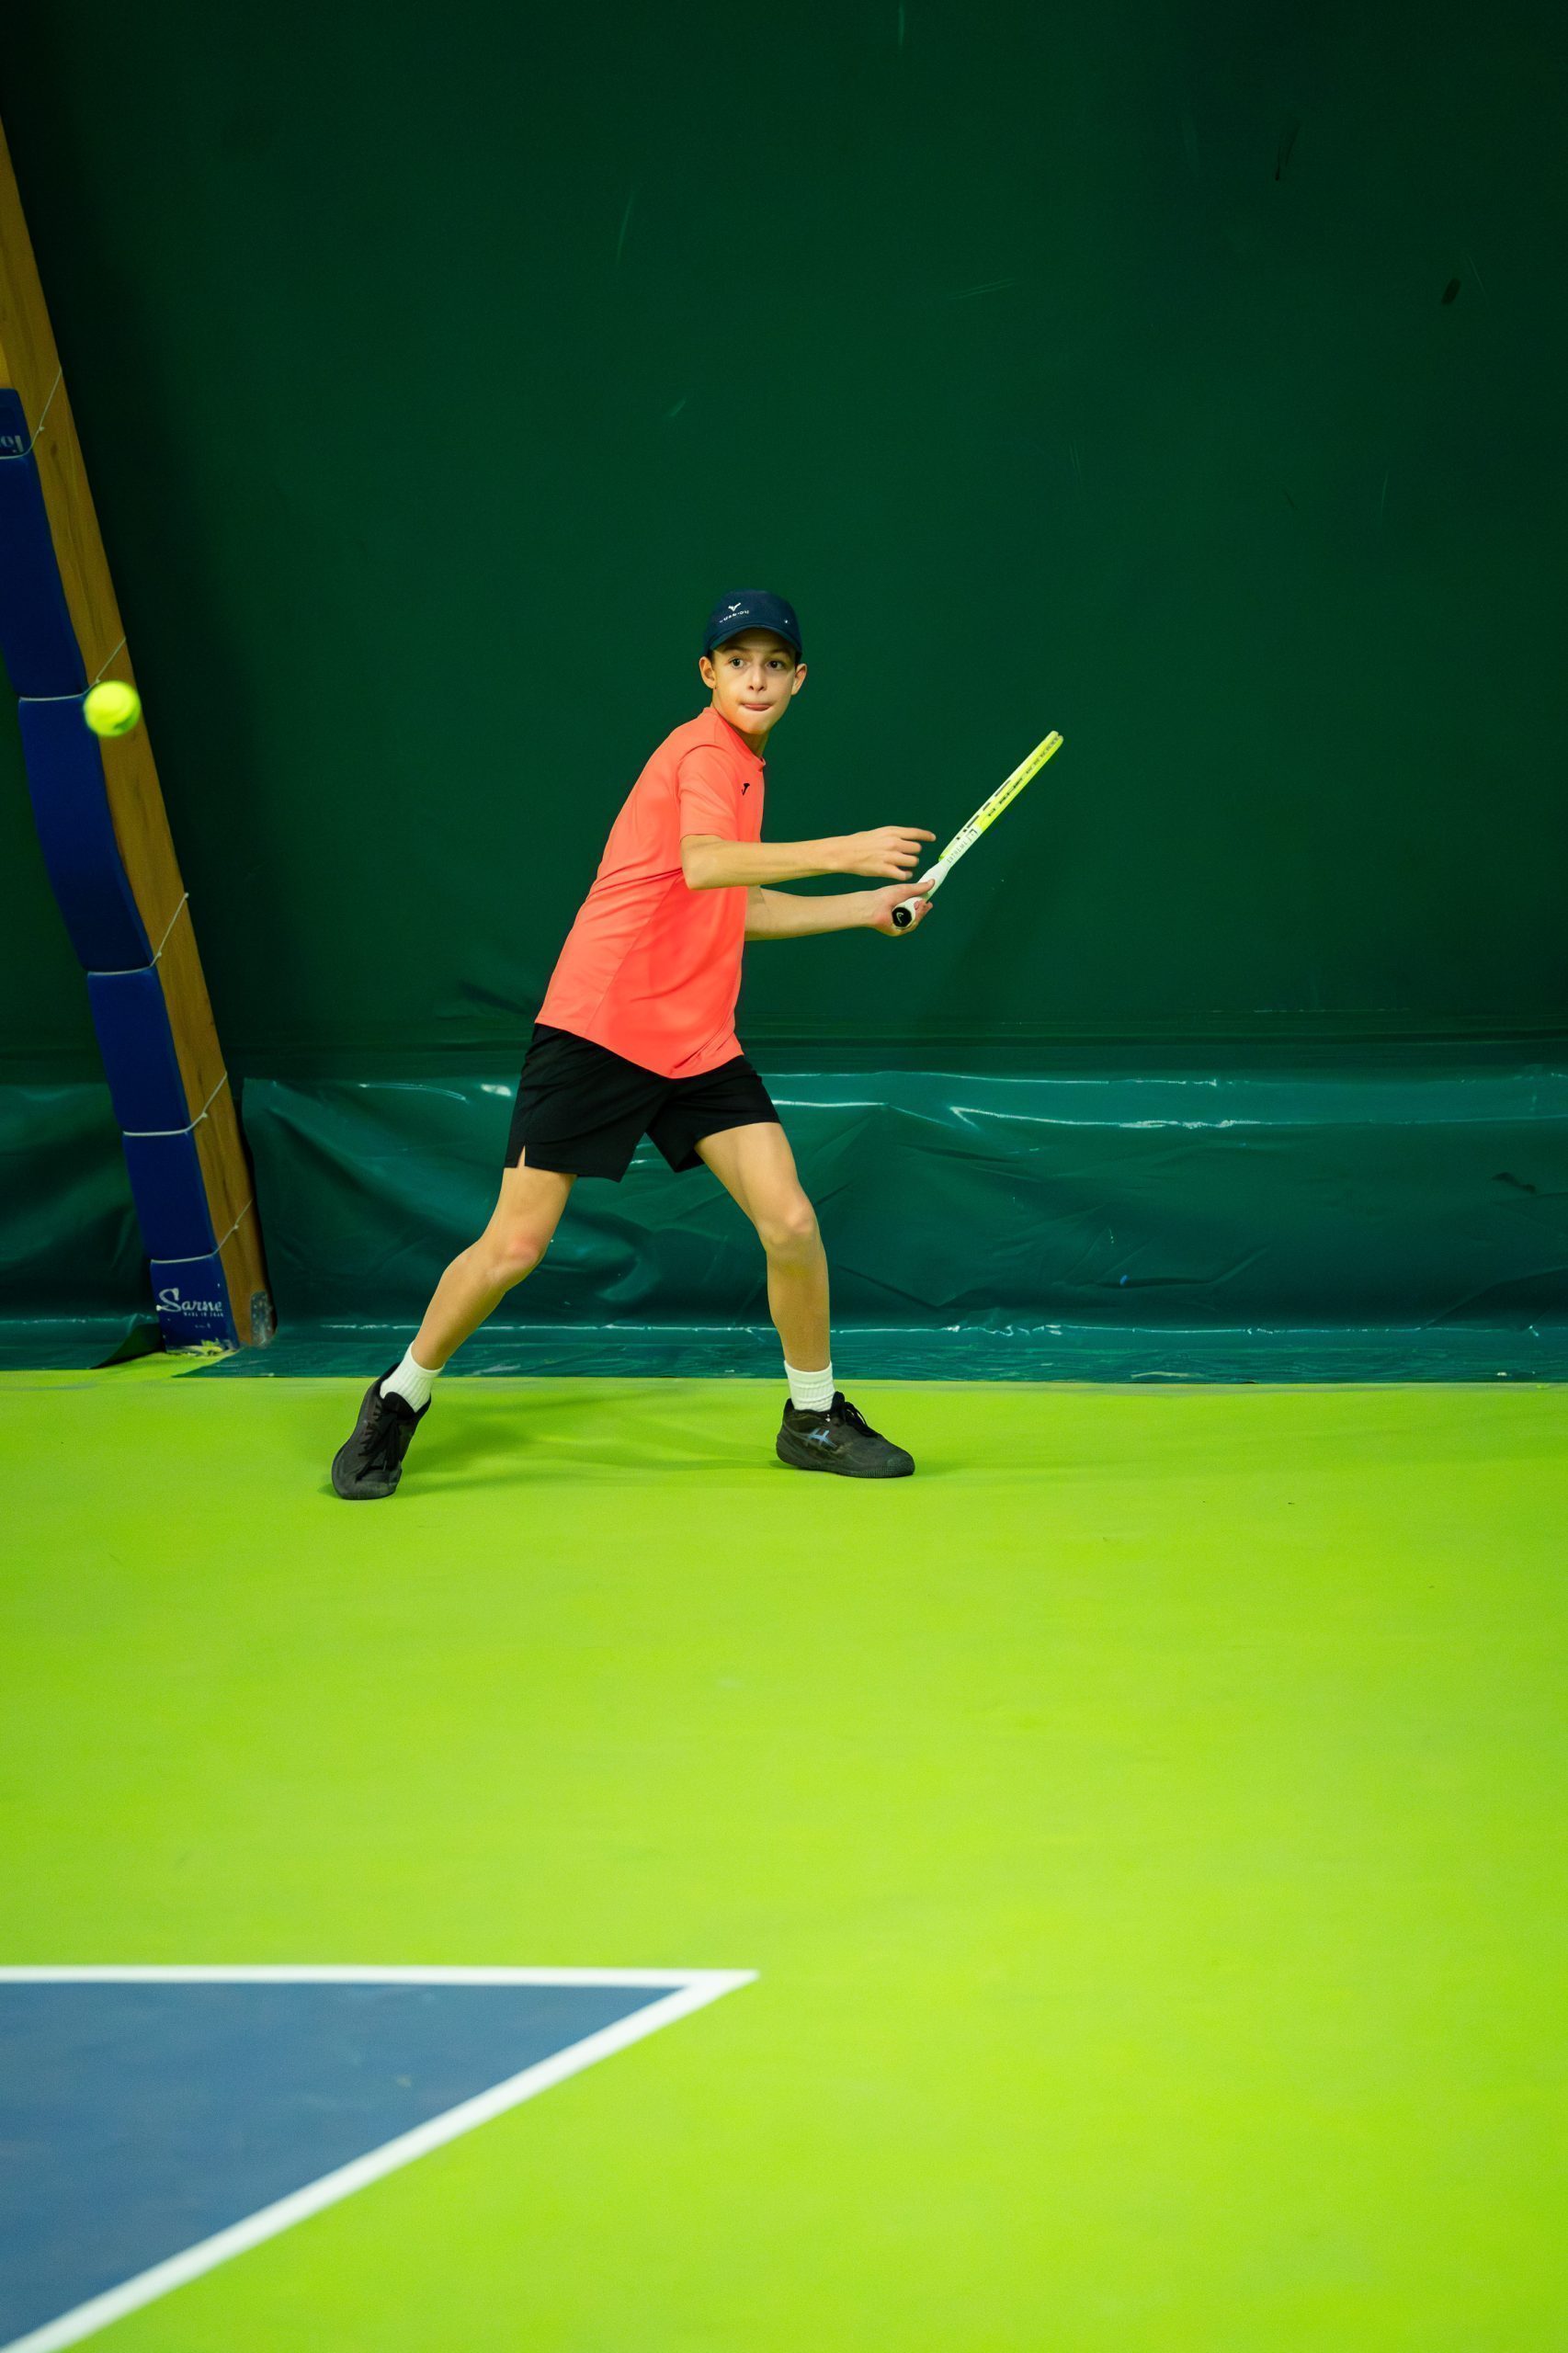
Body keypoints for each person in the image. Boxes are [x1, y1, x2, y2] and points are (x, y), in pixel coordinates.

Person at [331, 590, 935, 1500]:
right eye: (739, 662)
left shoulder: (746, 769)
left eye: (774, 664)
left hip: (696, 1040)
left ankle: (812, 1415)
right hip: (600, 1027)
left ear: (799, 679)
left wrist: (863, 910)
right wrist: (846, 851)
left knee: (790, 1222)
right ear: (708, 672)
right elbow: (705, 861)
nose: (757, 679)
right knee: (514, 1247)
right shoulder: (702, 753)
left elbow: (733, 906)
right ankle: (398, 1397)